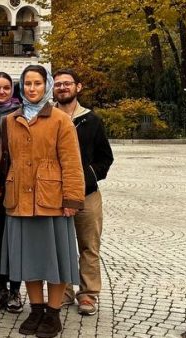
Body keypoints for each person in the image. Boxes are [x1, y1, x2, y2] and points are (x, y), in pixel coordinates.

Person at [0, 64, 84, 338]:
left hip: (51, 199)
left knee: (55, 258)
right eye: (28, 84)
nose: (32, 88)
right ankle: (36, 308)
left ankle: (53, 313)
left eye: (37, 83)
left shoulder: (60, 120)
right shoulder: (9, 121)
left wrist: (72, 198)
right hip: (18, 197)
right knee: (27, 258)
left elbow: (71, 162)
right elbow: (1, 160)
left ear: (47, 85)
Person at [52, 68, 114, 317]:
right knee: (60, 245)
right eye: (58, 84)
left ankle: (88, 294)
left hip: (87, 194)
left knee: (89, 245)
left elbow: (105, 159)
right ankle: (62, 291)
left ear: (78, 87)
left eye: (67, 83)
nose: (63, 87)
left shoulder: (91, 120)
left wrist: (84, 178)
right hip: (55, 195)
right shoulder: (49, 118)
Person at [0, 72, 24, 314]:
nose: (1, 92)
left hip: (16, 185)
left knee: (16, 240)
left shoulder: (21, 114)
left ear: (11, 90)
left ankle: (15, 288)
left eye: (5, 87)